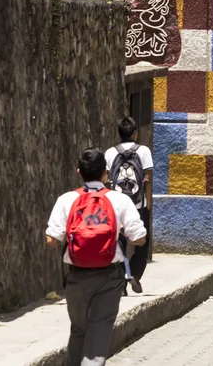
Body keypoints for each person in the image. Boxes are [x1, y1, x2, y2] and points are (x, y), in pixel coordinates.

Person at [46, 148, 146, 366]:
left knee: (78, 330)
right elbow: (139, 238)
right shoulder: (120, 201)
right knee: (99, 331)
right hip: (109, 277)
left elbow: (52, 241)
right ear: (106, 174)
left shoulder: (66, 200)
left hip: (77, 278)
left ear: (79, 172)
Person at [106, 117, 152, 294]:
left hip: (116, 206)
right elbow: (147, 179)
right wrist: (148, 205)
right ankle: (132, 273)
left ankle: (120, 283)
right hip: (139, 204)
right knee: (142, 243)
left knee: (120, 244)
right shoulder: (144, 151)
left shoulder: (110, 153)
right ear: (135, 133)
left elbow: (106, 181)